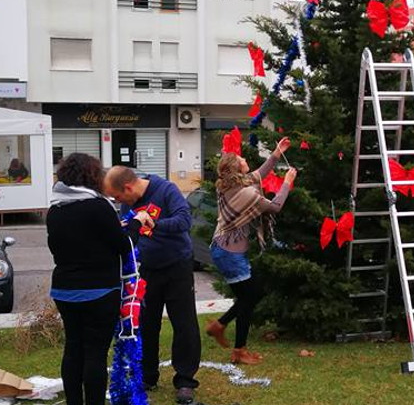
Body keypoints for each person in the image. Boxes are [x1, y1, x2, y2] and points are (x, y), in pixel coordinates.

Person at [47, 153, 146, 405]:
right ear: (91, 176)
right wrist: (136, 223)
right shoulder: (98, 207)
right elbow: (123, 245)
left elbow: (60, 246)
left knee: (73, 349)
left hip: (64, 290)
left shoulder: (55, 210)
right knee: (94, 354)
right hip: (99, 292)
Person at [104, 166, 200, 405]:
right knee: (146, 324)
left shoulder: (165, 190)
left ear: (127, 187)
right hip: (147, 269)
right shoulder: (128, 203)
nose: (118, 202)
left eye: (117, 197)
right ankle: (148, 376)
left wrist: (155, 224)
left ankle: (185, 381)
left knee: (184, 323)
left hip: (177, 265)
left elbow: (185, 220)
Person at [205, 138, 296, 365]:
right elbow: (275, 206)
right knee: (250, 297)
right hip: (229, 254)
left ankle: (222, 328)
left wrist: (277, 152)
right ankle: (238, 349)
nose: (245, 159)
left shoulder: (229, 184)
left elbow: (258, 174)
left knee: (250, 296)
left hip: (224, 248)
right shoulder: (246, 194)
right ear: (237, 170)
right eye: (241, 159)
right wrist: (287, 183)